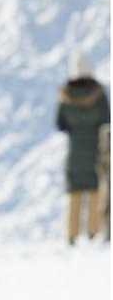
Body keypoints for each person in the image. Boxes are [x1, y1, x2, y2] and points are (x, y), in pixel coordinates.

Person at [56, 52, 110, 243]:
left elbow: (60, 123)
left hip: (74, 152)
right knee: (95, 190)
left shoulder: (66, 95)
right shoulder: (98, 94)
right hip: (95, 149)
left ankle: (71, 234)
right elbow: (106, 119)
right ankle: (93, 231)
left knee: (74, 192)